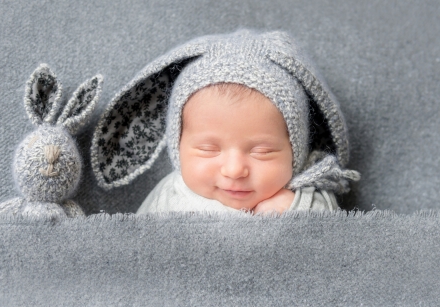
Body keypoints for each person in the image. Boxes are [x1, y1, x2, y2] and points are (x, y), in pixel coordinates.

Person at [91, 29, 360, 214]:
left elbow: (334, 251)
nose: (234, 170)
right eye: (208, 149)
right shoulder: (169, 198)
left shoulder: (308, 198)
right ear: (178, 147)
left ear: (296, 151)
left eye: (262, 151)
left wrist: (296, 209)